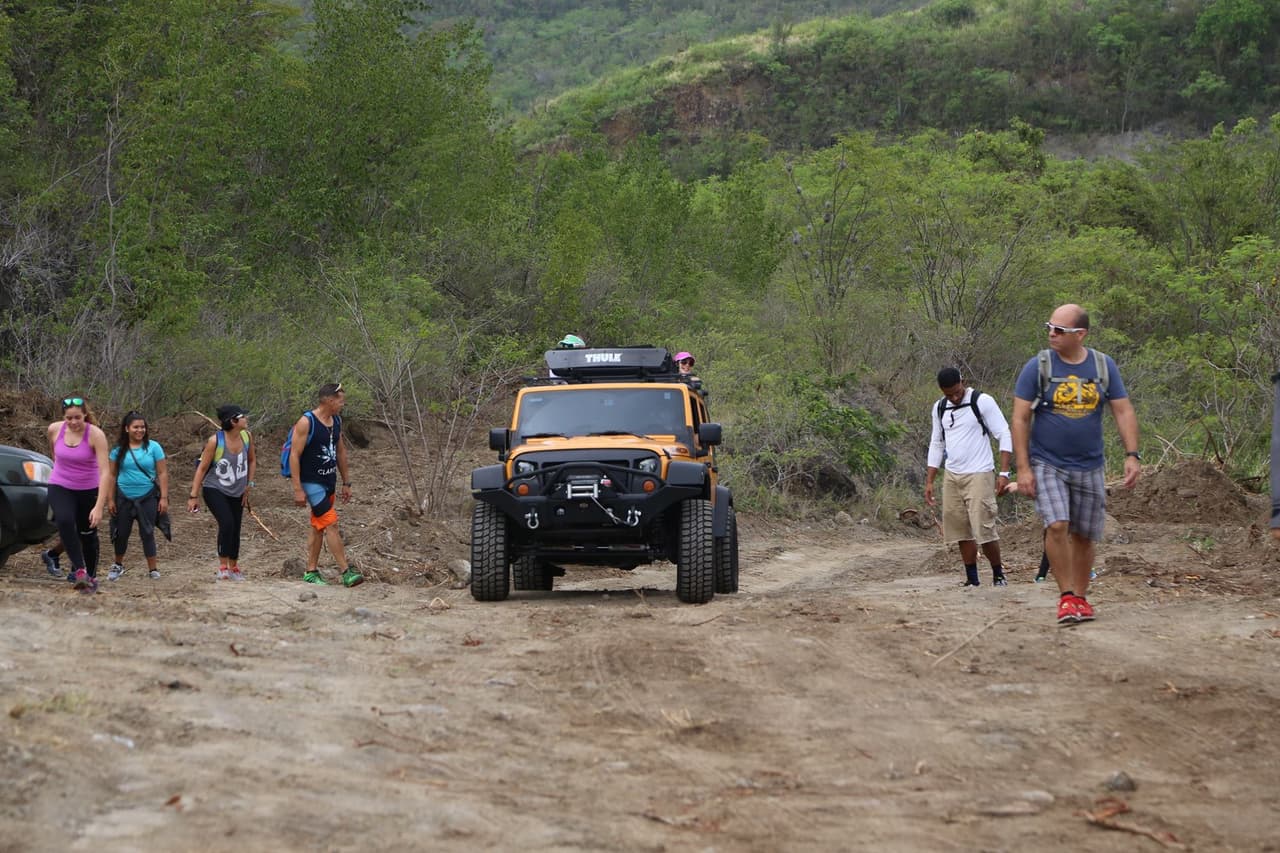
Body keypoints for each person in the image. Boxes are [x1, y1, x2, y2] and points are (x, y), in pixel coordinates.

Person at [1011, 304, 1141, 625]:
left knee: (1084, 534)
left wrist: (1132, 454)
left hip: (1090, 464)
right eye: (1049, 327)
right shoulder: (1037, 366)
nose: (1051, 334)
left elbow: (1122, 410)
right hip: (1047, 462)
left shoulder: (1102, 366)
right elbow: (1020, 417)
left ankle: (1081, 598)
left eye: (1060, 330)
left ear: (1080, 334)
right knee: (1057, 524)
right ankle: (1066, 596)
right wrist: (1023, 468)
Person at [925, 367, 1012, 587]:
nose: (954, 398)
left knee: (984, 528)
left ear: (963, 382)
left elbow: (1003, 433)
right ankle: (972, 579)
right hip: (952, 474)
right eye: (948, 395)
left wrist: (1003, 472)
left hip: (980, 472)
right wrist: (930, 480)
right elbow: (937, 443)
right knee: (959, 528)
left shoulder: (982, 401)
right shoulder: (940, 408)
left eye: (956, 392)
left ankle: (998, 574)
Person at [289, 383, 362, 587]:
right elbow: (294, 455)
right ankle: (346, 572)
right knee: (331, 523)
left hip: (329, 480)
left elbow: (340, 452)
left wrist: (346, 482)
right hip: (311, 483)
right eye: (340, 400)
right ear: (329, 400)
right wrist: (297, 488)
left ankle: (311, 571)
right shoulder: (306, 422)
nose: (343, 404)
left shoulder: (336, 421)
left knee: (317, 526)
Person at [46, 396, 112, 592]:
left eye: (77, 417)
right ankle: (80, 571)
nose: (73, 422)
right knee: (65, 521)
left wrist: (99, 506)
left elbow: (105, 472)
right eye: (69, 418)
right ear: (63, 417)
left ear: (85, 415)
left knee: (87, 534)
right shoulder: (54, 430)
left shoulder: (96, 435)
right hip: (60, 485)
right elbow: (55, 456)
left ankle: (90, 577)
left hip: (88, 489)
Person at [189, 405, 256, 581]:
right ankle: (223, 566)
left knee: (236, 527)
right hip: (215, 488)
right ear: (233, 421)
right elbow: (202, 469)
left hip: (238, 490)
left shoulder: (246, 436)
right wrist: (193, 496)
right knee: (227, 523)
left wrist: (250, 484)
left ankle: (234, 566)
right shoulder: (215, 441)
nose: (246, 420)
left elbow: (252, 460)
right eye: (243, 417)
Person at [107, 411, 170, 580]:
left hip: (147, 497)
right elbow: (111, 475)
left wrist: (163, 498)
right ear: (127, 428)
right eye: (136, 427)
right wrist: (110, 499)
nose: (139, 430)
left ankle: (153, 569)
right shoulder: (118, 450)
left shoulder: (154, 447)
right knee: (121, 533)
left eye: (142, 427)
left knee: (147, 533)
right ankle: (118, 565)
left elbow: (162, 472)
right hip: (123, 497)